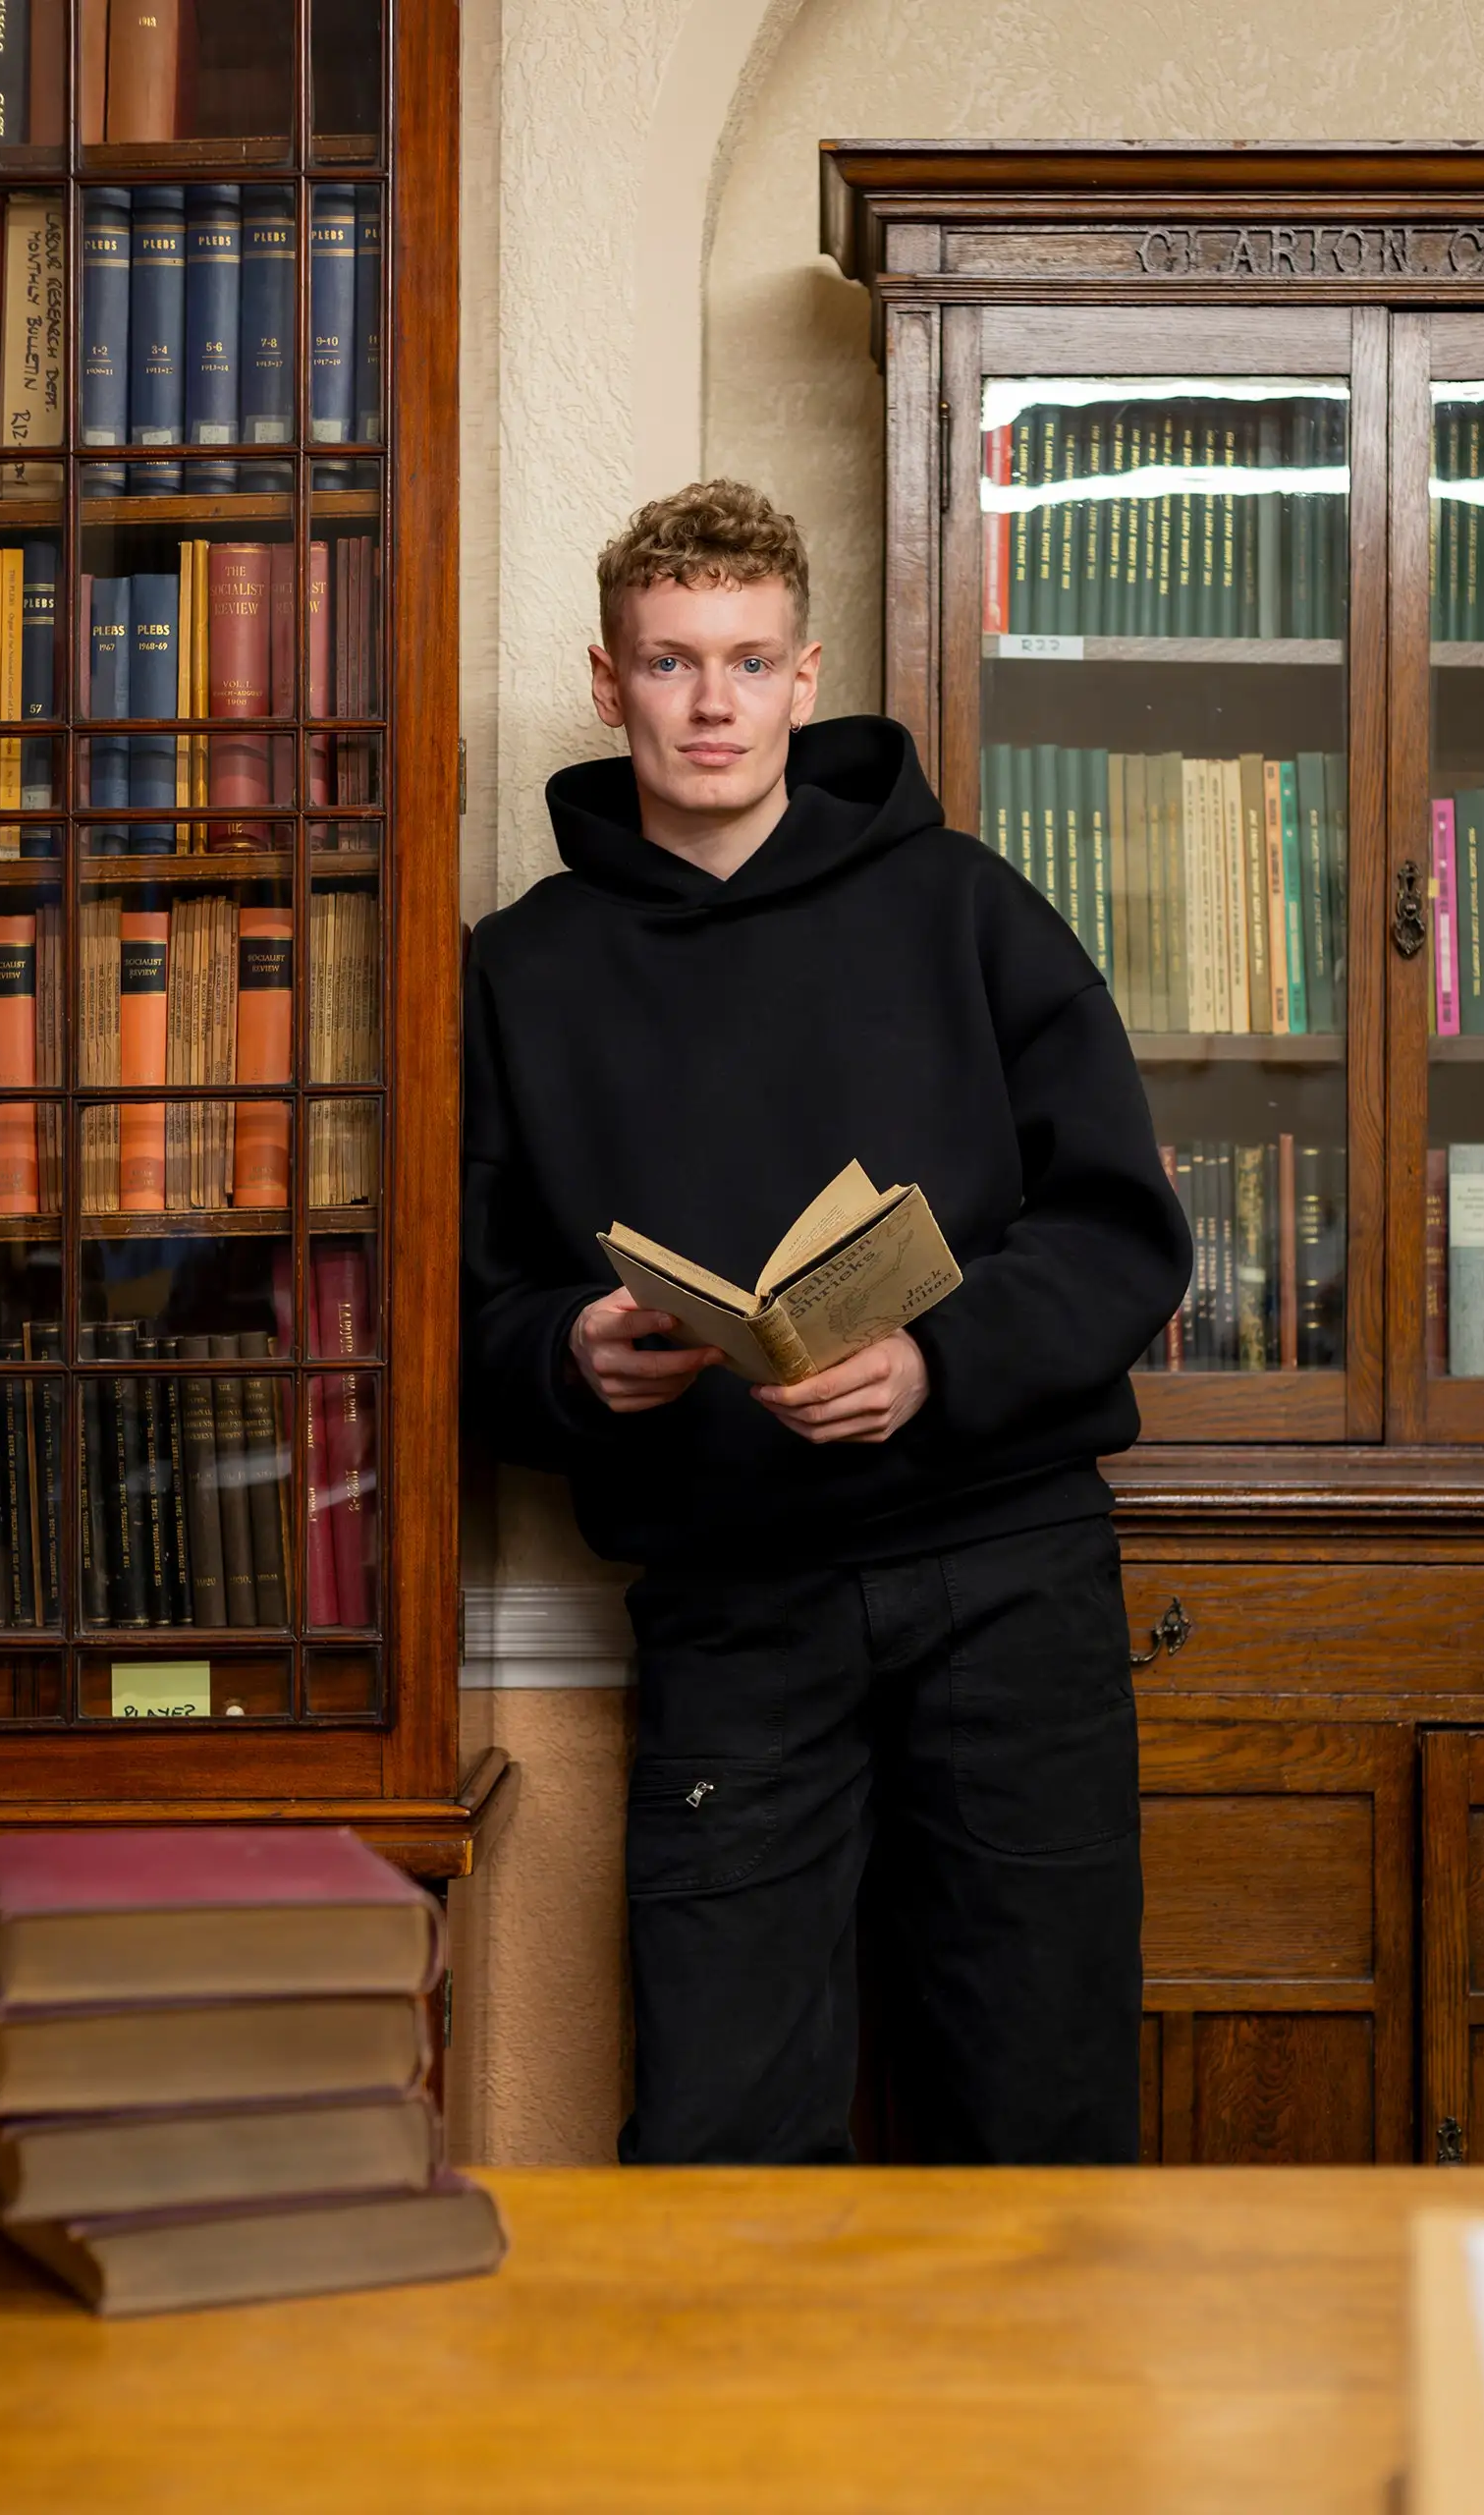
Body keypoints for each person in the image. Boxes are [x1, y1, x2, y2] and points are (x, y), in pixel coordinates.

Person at [462, 478, 1191, 2166]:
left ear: (806, 676)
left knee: (1037, 2098)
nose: (710, 702)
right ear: (604, 679)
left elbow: (1122, 1229)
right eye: (669, 663)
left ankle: (1029, 2441)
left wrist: (937, 1362)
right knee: (723, 2122)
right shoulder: (521, 970)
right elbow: (474, 1307)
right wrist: (567, 1356)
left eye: (746, 660)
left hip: (1011, 1580)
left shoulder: (967, 907)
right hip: (733, 1609)